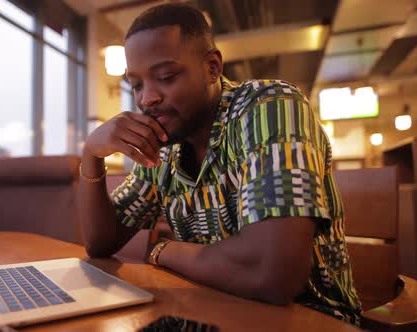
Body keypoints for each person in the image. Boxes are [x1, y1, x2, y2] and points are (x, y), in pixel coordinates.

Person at [77, 3, 361, 326]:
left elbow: (273, 272)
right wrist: (92, 154)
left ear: (212, 67)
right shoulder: (165, 145)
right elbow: (101, 242)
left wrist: (163, 250)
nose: (146, 99)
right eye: (137, 84)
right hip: (206, 311)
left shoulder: (269, 107)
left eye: (166, 77)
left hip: (309, 320)